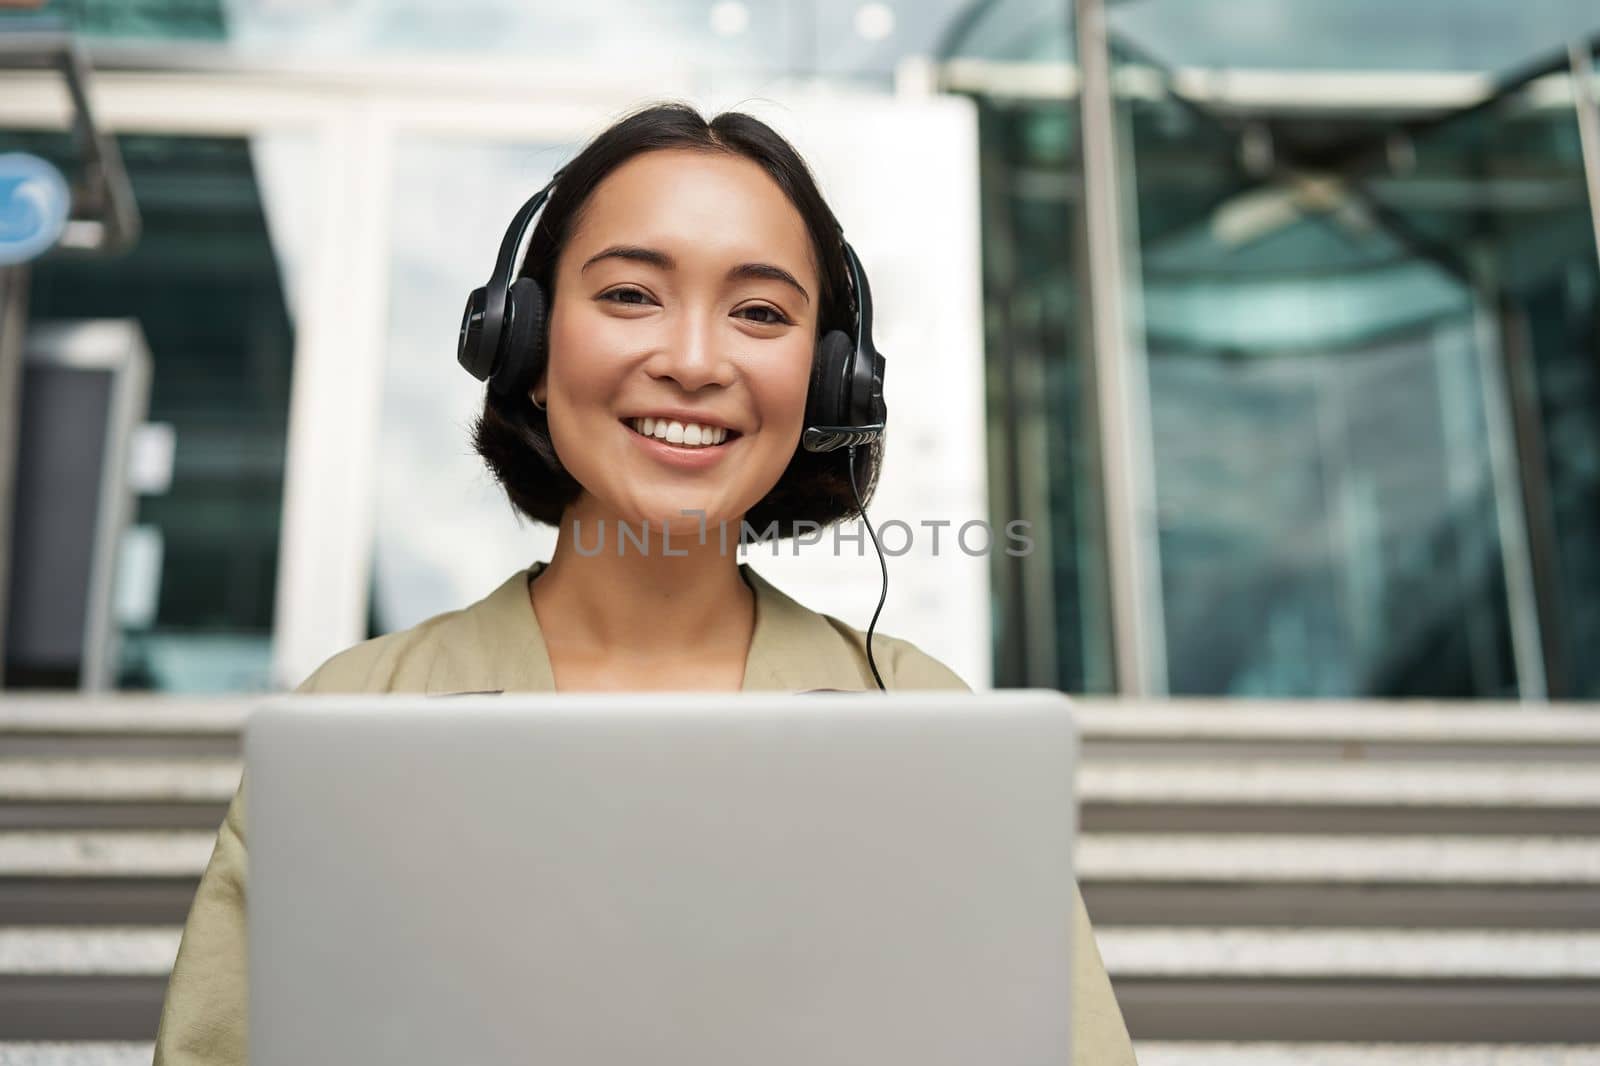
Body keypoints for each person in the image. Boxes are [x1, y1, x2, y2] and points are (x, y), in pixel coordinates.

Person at [152, 102, 1138, 1065]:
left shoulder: (921, 720)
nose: (694, 361)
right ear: (525, 345)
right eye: (630, 294)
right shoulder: (354, 716)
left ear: (831, 386)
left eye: (758, 312)